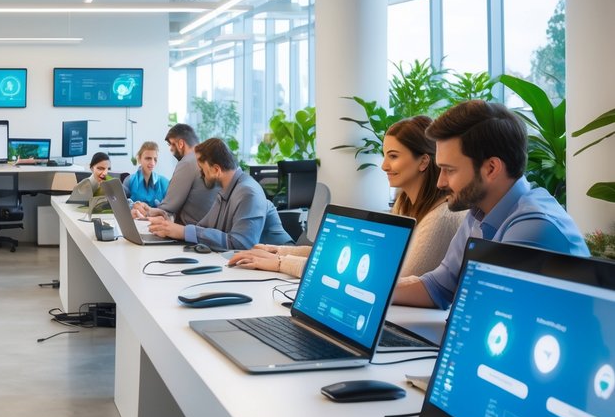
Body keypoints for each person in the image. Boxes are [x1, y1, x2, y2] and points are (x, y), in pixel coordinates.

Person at [392, 100, 588, 309]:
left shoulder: (535, 228)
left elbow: (486, 311)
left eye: (450, 170)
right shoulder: (480, 210)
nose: (440, 182)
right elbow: (439, 287)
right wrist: (364, 291)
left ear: (492, 168)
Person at [229, 116, 466, 277]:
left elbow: (392, 281)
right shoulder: (405, 205)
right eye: (384, 156)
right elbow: (349, 256)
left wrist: (282, 264)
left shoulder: (439, 217)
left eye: (393, 156)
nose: (384, 166)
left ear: (424, 161)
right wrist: (277, 251)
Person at [148, 137, 290, 250]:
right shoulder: (226, 191)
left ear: (216, 170)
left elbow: (241, 244)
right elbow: (203, 228)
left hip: (283, 275)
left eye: (202, 169)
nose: (200, 174)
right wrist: (168, 224)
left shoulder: (248, 192)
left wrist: (183, 232)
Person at [132, 124, 215, 225]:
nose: (171, 149)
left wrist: (148, 212)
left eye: (171, 144)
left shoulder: (187, 162)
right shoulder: (209, 160)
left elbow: (167, 208)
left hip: (188, 231)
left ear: (180, 144)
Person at [123, 141, 169, 207]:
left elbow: (170, 208)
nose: (152, 163)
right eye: (148, 158)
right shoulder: (129, 181)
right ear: (139, 159)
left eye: (155, 159)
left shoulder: (164, 182)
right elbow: (122, 205)